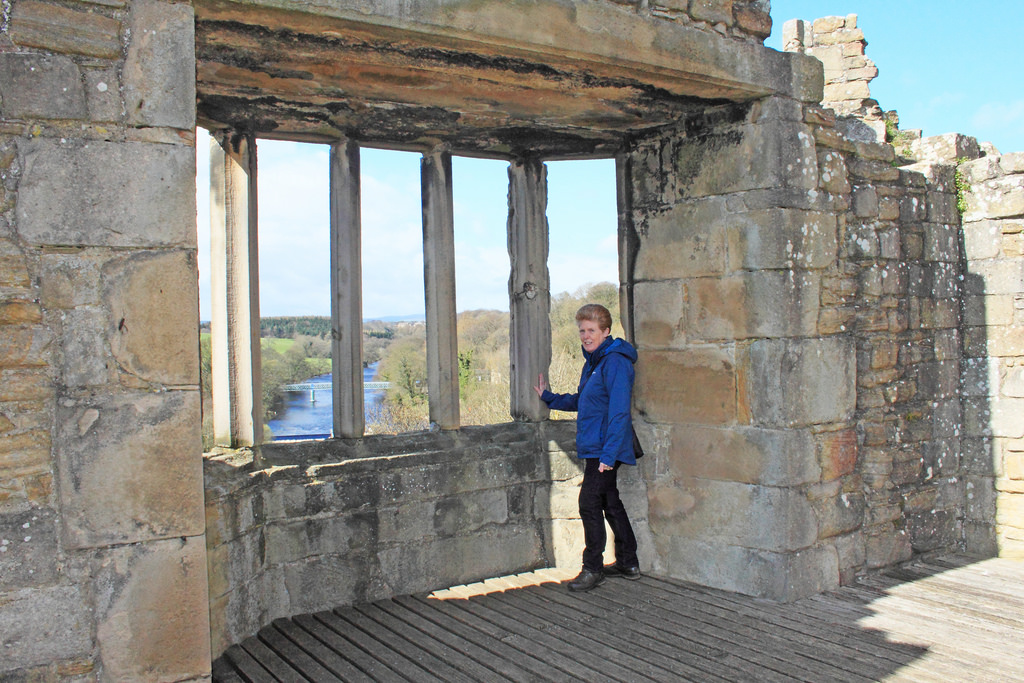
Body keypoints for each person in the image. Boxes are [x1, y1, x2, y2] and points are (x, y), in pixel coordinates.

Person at [535, 303, 640, 592]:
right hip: (597, 446)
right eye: (582, 330)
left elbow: (620, 412)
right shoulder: (594, 362)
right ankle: (629, 561)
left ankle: (593, 568)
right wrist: (550, 398)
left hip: (606, 448)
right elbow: (586, 402)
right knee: (609, 501)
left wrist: (608, 456)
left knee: (588, 503)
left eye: (591, 330)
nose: (585, 335)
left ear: (606, 332)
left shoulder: (615, 362)